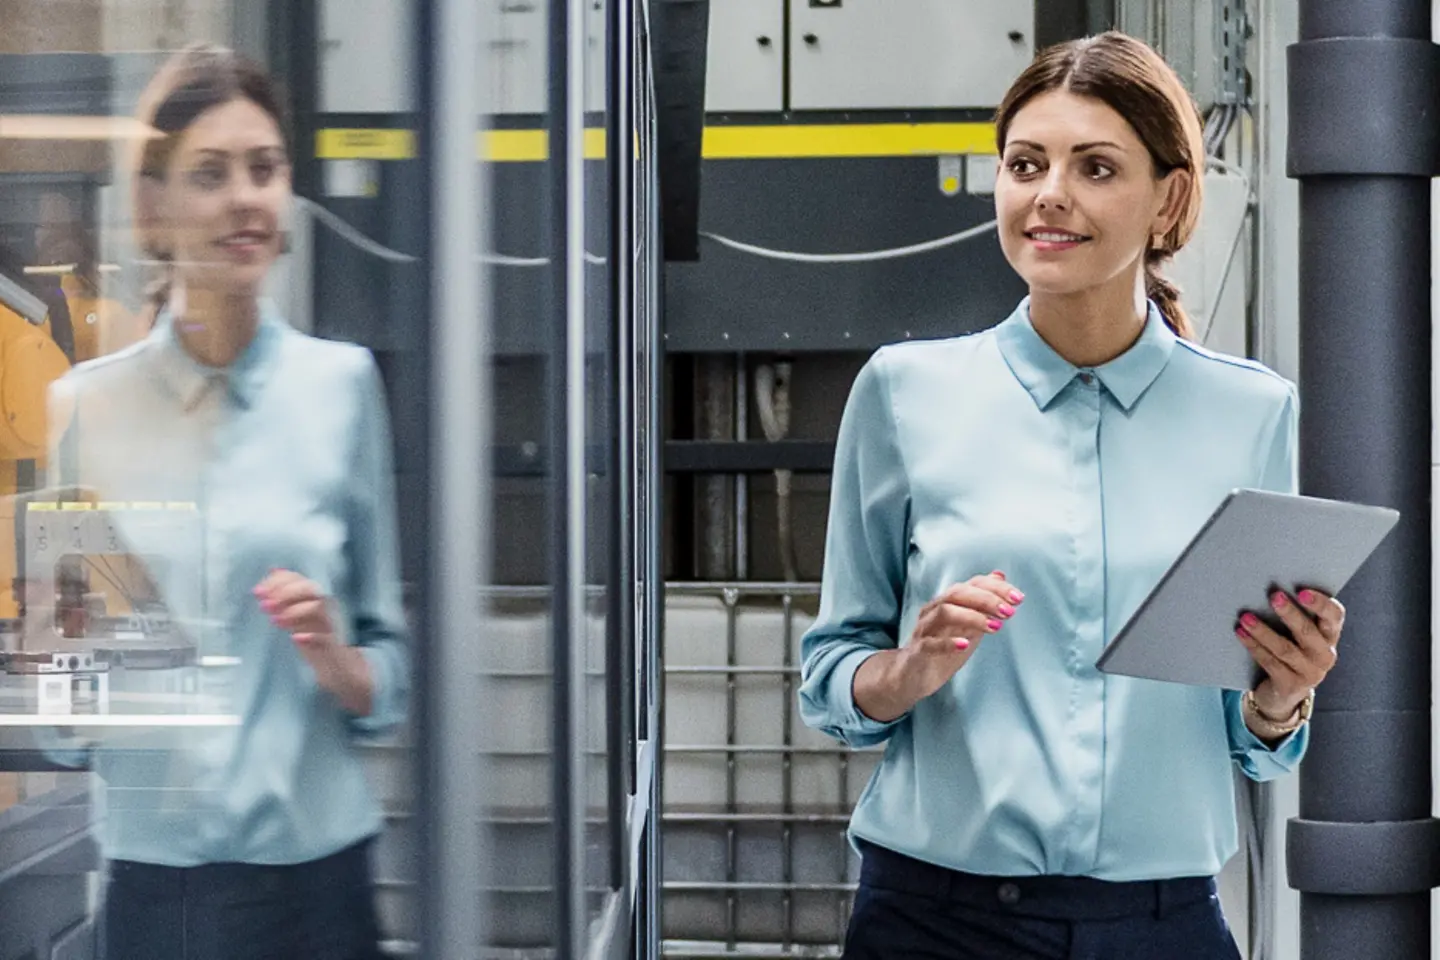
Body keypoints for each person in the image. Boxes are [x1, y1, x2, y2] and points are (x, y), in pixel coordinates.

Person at [799, 32, 1345, 960]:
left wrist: (1282, 698)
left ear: (1169, 198)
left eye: (1095, 167)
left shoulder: (1250, 413)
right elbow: (830, 678)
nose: (1049, 193)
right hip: (934, 922)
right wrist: (908, 670)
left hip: (1161, 925)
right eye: (1025, 163)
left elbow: (1250, 741)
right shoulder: (904, 393)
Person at [43, 44, 406, 959]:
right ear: (156, 209)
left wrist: (336, 657)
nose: (247, 196)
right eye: (211, 174)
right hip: (155, 892)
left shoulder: (343, 388)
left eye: (265, 168)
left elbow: (390, 674)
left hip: (320, 888)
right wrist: (71, 666)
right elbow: (61, 725)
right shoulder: (84, 406)